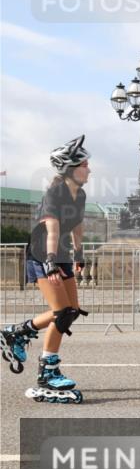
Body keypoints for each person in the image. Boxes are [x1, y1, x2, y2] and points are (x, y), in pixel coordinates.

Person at [1, 135, 91, 404]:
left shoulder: (80, 194)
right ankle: (45, 371)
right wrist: (51, 260)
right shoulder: (56, 193)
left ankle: (20, 336)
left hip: (60, 254)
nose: (90, 169)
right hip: (43, 253)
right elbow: (51, 230)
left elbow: (76, 225)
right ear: (70, 168)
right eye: (85, 164)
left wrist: (79, 252)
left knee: (70, 312)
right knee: (61, 312)